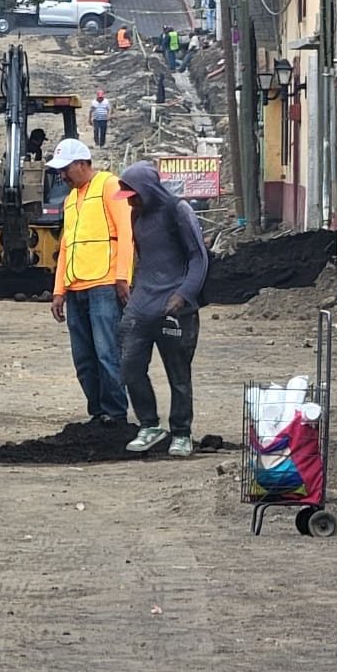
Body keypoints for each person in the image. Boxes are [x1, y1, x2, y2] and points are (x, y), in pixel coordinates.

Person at [113, 161, 208, 458]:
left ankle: (181, 432)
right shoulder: (136, 215)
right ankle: (149, 425)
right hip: (143, 304)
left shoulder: (178, 211)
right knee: (129, 366)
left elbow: (199, 258)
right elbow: (144, 256)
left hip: (175, 307)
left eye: (134, 195)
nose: (130, 201)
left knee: (178, 373)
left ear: (149, 189)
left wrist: (183, 294)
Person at [48, 139, 133, 426]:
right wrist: (59, 290)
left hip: (104, 285)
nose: (62, 176)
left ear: (82, 164)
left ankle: (116, 414)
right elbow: (66, 246)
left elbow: (126, 232)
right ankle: (97, 412)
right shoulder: (71, 199)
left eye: (65, 169)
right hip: (76, 288)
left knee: (107, 352)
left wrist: (123, 276)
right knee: (84, 358)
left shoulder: (111, 185)